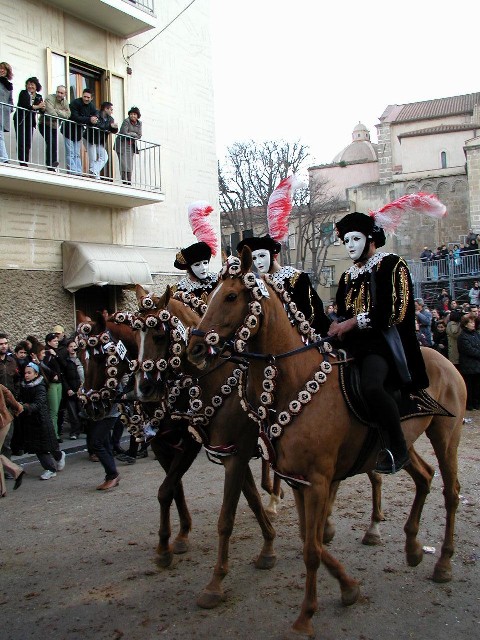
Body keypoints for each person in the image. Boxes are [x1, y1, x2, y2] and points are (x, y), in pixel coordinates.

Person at [328, 211, 429, 474]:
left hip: (383, 343)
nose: (349, 245)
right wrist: (335, 323)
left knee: (372, 387)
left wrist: (351, 323)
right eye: (346, 240)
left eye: (355, 239)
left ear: (371, 238)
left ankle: (398, 448)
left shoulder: (392, 264)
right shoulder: (348, 275)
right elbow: (342, 311)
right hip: (352, 344)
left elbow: (395, 310)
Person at [236, 234, 331, 337]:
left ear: (272, 255)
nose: (258, 262)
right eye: (254, 258)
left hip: (302, 339)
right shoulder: (259, 283)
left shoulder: (296, 277)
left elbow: (311, 311)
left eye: (262, 255)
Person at [16, 362, 66, 480]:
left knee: (48, 445)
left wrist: (25, 407)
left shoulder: (40, 386)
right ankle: (50, 466)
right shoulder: (23, 386)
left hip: (42, 420)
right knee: (39, 447)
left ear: (36, 374)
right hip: (30, 421)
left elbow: (39, 403)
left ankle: (55, 461)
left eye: (29, 373)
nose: (27, 375)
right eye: (25, 373)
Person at [64, 88, 98, 175]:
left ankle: (78, 171)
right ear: (82, 95)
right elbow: (75, 117)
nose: (86, 99)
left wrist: (95, 118)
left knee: (77, 153)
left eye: (88, 97)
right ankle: (72, 171)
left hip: (78, 132)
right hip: (69, 130)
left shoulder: (91, 106)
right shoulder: (75, 103)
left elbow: (95, 113)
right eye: (84, 96)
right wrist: (89, 119)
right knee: (70, 152)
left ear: (91, 98)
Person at [12, 76, 45, 165]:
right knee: (21, 141)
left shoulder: (38, 96)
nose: (30, 86)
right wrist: (38, 106)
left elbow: (41, 110)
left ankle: (25, 161)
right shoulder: (23, 93)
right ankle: (22, 162)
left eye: (32, 84)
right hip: (20, 120)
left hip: (30, 122)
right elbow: (26, 105)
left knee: (28, 142)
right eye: (28, 84)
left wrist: (43, 107)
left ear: (36, 86)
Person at [0, 384, 24, 497]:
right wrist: (18, 407)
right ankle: (15, 471)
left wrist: (18, 407)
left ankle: (2, 488)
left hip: (2, 421)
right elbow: (7, 393)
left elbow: (7, 394)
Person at [83, 101, 118, 178]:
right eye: (111, 110)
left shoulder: (110, 119)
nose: (112, 112)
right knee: (93, 158)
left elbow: (113, 130)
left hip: (99, 141)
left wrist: (115, 128)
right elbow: (98, 125)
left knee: (104, 157)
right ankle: (96, 177)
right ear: (106, 109)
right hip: (90, 139)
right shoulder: (96, 113)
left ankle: (93, 172)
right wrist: (109, 126)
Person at [38, 85, 70, 170]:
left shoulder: (65, 102)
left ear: (65, 94)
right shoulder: (49, 98)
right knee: (50, 142)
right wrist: (60, 113)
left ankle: (53, 164)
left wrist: (56, 111)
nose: (59, 94)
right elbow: (51, 113)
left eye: (61, 93)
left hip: (55, 127)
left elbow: (68, 115)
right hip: (44, 124)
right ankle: (50, 164)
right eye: (58, 92)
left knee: (54, 145)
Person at [0, 333, 20, 459]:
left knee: (8, 438)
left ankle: (6, 468)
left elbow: (17, 380)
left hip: (9, 405)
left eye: (5, 343)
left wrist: (15, 396)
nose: (3, 346)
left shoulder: (12, 361)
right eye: (1, 344)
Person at [59, 339, 84, 440]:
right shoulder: (65, 361)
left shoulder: (81, 360)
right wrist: (68, 389)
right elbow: (63, 377)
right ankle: (74, 432)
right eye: (70, 346)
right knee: (72, 413)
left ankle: (82, 429)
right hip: (70, 390)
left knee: (81, 411)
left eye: (74, 346)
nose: (73, 348)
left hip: (80, 389)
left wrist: (81, 388)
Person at [43, 333, 64, 441]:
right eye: (54, 341)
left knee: (57, 410)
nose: (57, 342)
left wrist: (55, 355)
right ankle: (53, 435)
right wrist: (52, 375)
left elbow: (63, 364)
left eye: (57, 341)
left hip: (59, 383)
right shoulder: (46, 353)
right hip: (52, 384)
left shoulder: (56, 352)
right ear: (48, 342)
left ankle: (55, 433)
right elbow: (43, 367)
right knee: (53, 411)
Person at [457, 313, 480, 411]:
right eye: (470, 322)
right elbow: (468, 350)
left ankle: (476, 403)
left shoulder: (476, 334)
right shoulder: (462, 336)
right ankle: (469, 404)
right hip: (468, 365)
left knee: (477, 387)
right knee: (469, 387)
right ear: (465, 324)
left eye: (473, 322)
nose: (473, 324)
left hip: (477, 365)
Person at [114, 106, 142, 184]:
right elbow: (124, 133)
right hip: (122, 144)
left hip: (131, 145)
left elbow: (139, 135)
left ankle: (129, 181)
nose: (132, 116)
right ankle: (124, 181)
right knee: (123, 163)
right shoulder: (126, 121)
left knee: (129, 164)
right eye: (131, 114)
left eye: (134, 114)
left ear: (137, 116)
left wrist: (131, 134)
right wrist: (133, 134)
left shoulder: (139, 123)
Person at [0, 61, 14, 163]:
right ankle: (4, 159)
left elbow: (11, 101)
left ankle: (3, 159)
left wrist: (8, 108)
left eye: (4, 69)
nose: (1, 70)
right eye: (0, 68)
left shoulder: (9, 86)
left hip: (2, 114)